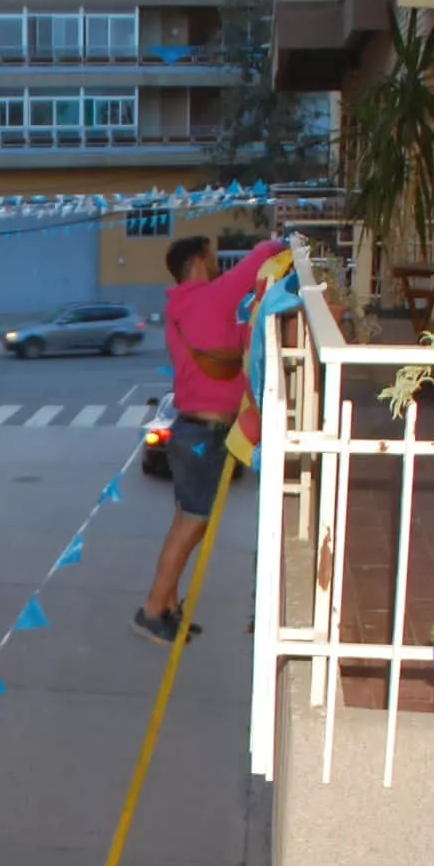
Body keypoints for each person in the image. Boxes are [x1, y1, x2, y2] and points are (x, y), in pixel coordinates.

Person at [132, 235, 285, 647]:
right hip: (203, 434)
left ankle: (167, 607)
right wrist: (282, 243)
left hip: (191, 430)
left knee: (186, 523)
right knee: (191, 527)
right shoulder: (210, 299)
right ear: (199, 261)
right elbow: (260, 258)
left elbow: (229, 343)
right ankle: (151, 610)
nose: (219, 265)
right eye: (214, 259)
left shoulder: (187, 307)